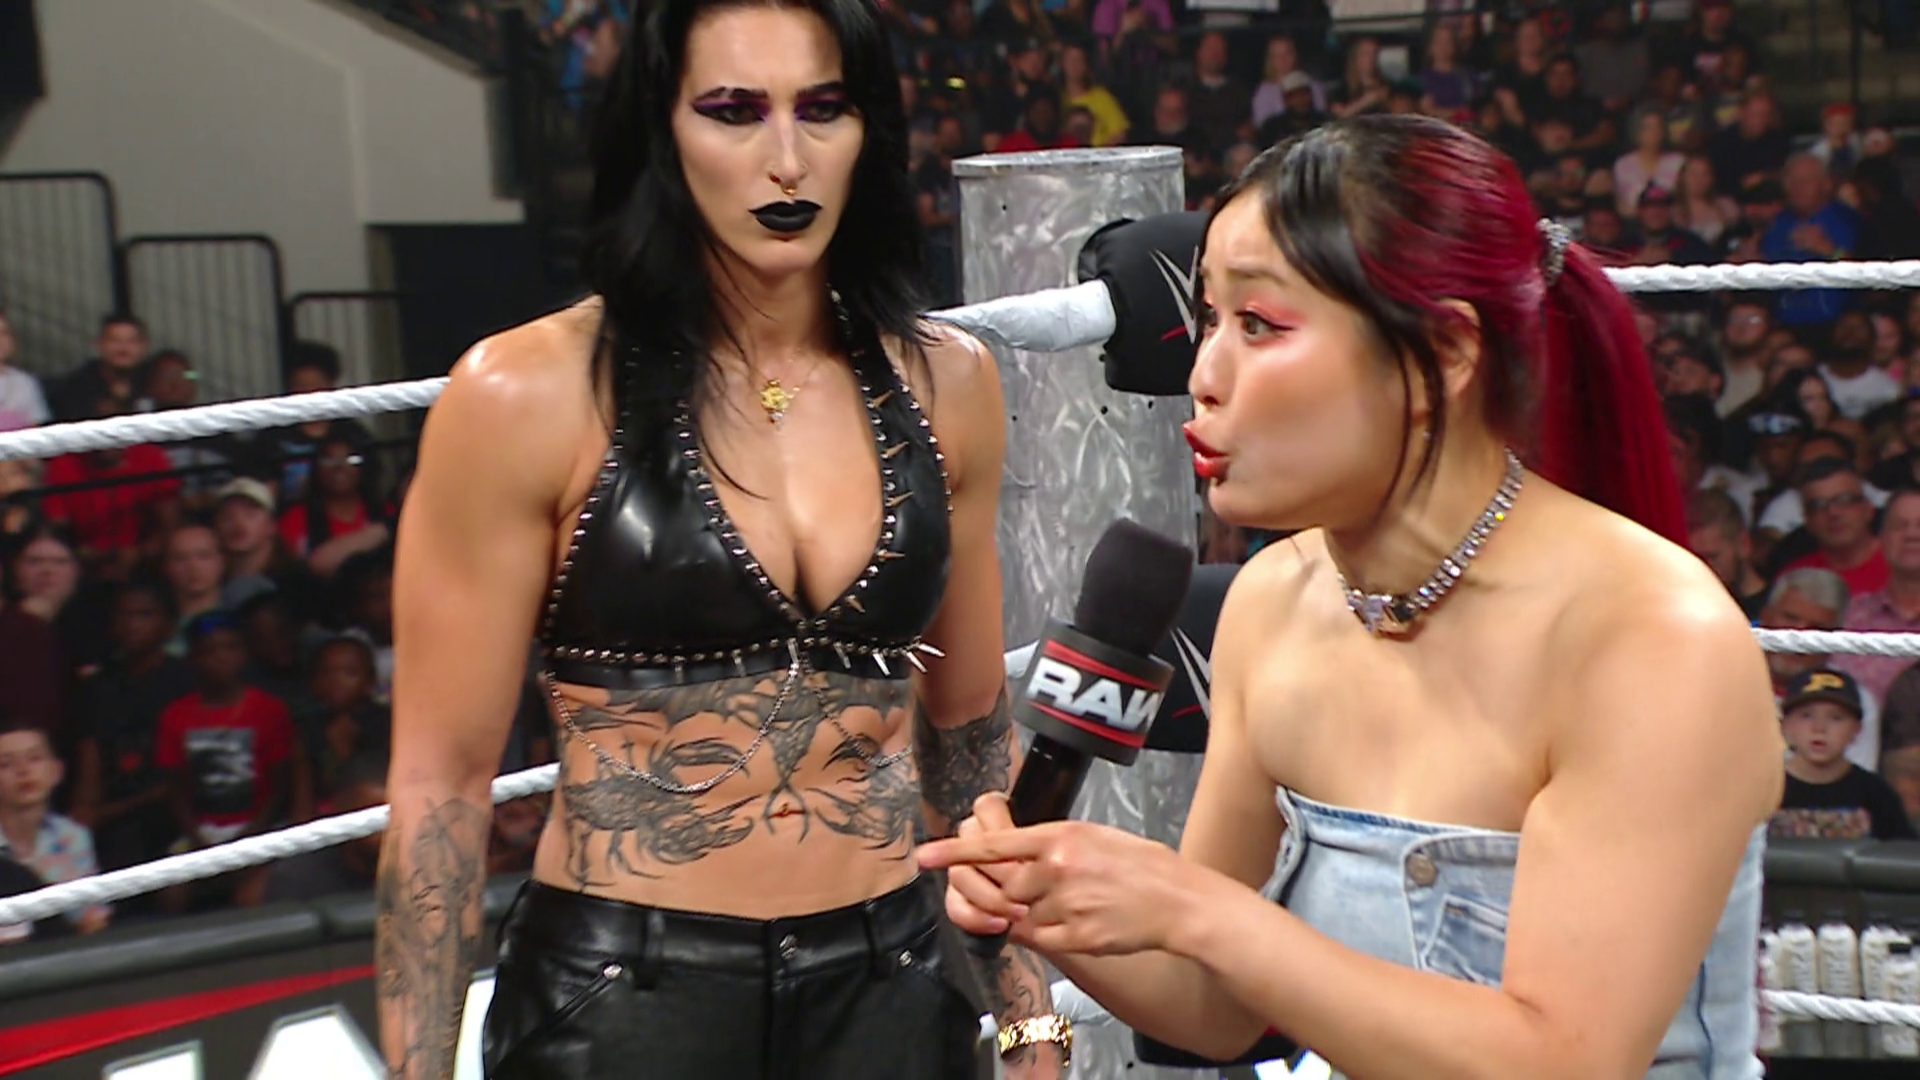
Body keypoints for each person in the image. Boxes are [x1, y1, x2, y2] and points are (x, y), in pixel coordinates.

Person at [920, 116, 1783, 1078]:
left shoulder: (1653, 642)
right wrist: (1045, 893)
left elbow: (1565, 1060)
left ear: (1443, 354)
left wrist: (1200, 911)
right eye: (1209, 320)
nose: (1203, 377)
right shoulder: (1274, 604)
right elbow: (1215, 1008)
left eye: (1259, 325)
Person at [376, 1, 1057, 1078]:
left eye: (821, 110)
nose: (788, 159)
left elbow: (968, 735)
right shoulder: (524, 394)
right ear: (663, 130)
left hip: (888, 979)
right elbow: (442, 787)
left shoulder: (948, 383)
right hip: (626, 996)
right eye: (735, 112)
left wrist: (1027, 1016)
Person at [1769, 668, 1917, 842]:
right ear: (1785, 726)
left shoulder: (1876, 793)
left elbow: (1901, 852)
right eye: (1806, 716)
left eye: (1836, 718)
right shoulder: (1765, 789)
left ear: (1857, 730)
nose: (1819, 728)